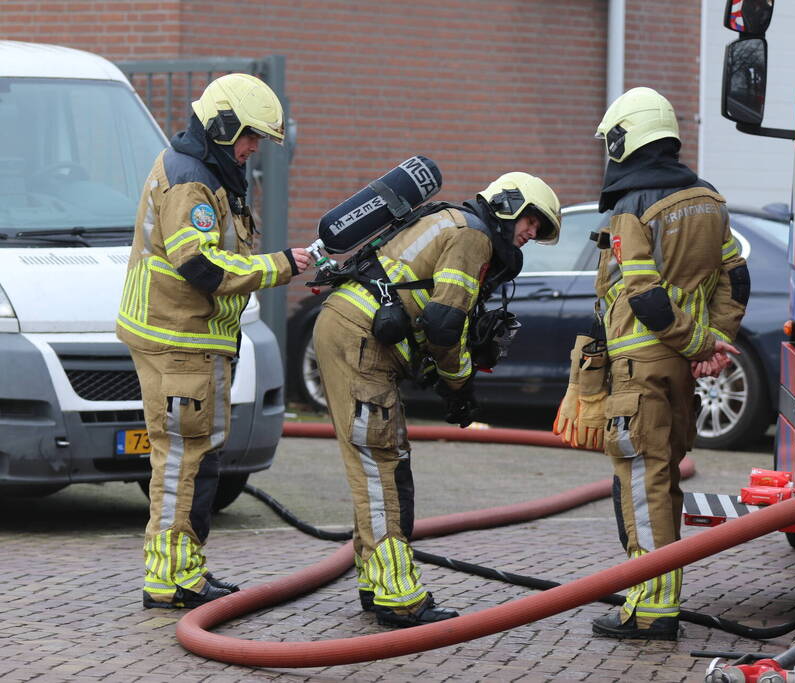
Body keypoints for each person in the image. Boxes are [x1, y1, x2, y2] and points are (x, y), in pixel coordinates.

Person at [313, 172, 561, 628]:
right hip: (359, 339)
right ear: (508, 205)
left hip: (355, 334)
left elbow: (437, 316)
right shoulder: (473, 236)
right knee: (382, 463)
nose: (530, 235)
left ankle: (376, 580)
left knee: (383, 461)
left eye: (539, 232)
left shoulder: (457, 223)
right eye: (531, 222)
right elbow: (444, 324)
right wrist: (460, 386)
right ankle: (398, 596)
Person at [556, 87, 748, 641]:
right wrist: (713, 341)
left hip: (640, 366)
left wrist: (694, 344)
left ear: (626, 138)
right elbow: (736, 278)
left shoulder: (630, 207)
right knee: (664, 481)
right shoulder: (710, 201)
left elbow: (644, 295)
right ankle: (655, 599)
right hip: (681, 368)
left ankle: (651, 609)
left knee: (642, 482)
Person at [118, 73, 312, 609]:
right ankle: (172, 579)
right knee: (185, 459)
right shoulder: (191, 182)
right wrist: (278, 266)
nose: (252, 148)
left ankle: (186, 571)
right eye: (249, 136)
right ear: (222, 125)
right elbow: (199, 264)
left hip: (192, 340)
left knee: (195, 457)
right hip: (178, 341)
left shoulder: (207, 171)